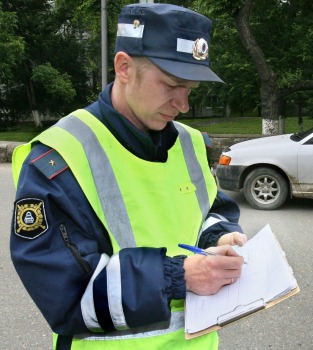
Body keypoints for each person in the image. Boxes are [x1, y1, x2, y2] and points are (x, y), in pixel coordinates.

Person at [10, 3, 247, 349]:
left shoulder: (190, 142)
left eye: (191, 89)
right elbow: (65, 295)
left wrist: (220, 238)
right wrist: (178, 276)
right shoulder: (59, 156)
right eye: (171, 85)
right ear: (123, 67)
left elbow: (210, 210)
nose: (183, 104)